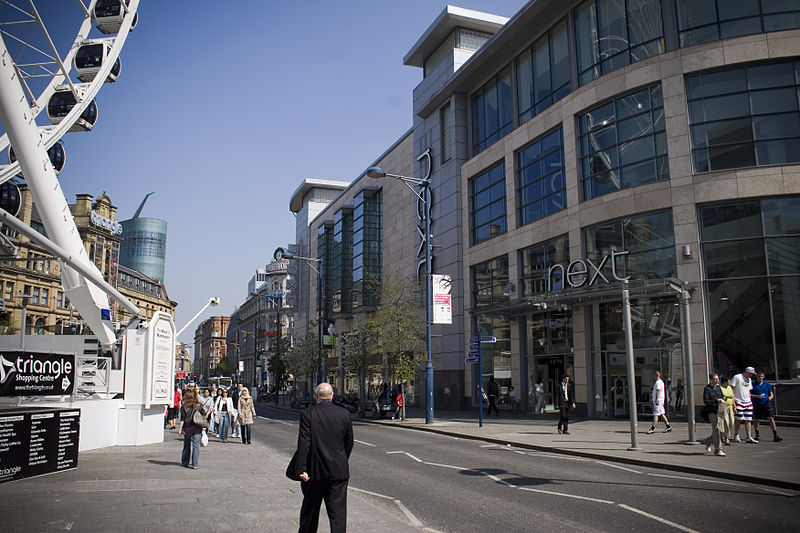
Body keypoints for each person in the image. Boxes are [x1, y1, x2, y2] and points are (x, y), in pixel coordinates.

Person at [293, 382, 353, 533]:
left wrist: (301, 469)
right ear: (332, 396)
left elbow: (304, 443)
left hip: (314, 472)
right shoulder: (344, 413)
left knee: (310, 513)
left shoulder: (308, 413)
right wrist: (341, 459)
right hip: (338, 472)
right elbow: (349, 442)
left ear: (317, 396)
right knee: (338, 516)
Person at [178, 389, 206, 469]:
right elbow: (203, 416)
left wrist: (180, 429)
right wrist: (203, 427)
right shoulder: (199, 405)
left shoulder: (184, 406)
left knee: (186, 445)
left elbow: (182, 419)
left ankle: (185, 462)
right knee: (196, 446)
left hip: (187, 428)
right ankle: (194, 464)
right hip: (197, 427)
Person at [751, 372, 783, 442]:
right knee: (756, 419)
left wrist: (770, 397)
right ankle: (757, 434)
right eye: (759, 376)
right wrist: (757, 396)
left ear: (763, 377)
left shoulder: (767, 384)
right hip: (757, 404)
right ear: (756, 377)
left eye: (761, 376)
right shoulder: (753, 384)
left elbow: (771, 394)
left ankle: (775, 435)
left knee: (770, 418)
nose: (760, 377)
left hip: (766, 403)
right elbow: (749, 394)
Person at [731, 366, 758, 443]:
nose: (751, 375)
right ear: (747, 372)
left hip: (747, 401)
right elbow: (731, 388)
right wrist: (734, 402)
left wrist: (750, 400)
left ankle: (748, 436)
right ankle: (736, 434)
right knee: (738, 419)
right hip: (738, 400)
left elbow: (748, 391)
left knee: (748, 419)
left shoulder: (749, 380)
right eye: (751, 373)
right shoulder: (737, 377)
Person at [702, 373, 726, 457]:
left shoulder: (719, 387)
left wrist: (723, 399)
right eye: (715, 379)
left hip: (720, 411)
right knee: (716, 429)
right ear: (711, 380)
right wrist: (716, 401)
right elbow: (706, 401)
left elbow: (722, 396)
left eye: (717, 379)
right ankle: (718, 449)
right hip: (712, 411)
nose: (717, 380)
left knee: (721, 430)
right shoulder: (707, 389)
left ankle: (708, 441)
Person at [646, 369, 671, 434]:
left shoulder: (658, 382)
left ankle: (652, 428)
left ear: (656, 375)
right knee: (662, 414)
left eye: (653, 375)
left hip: (658, 400)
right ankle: (668, 426)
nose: (653, 377)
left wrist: (656, 399)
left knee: (656, 414)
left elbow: (658, 391)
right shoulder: (660, 382)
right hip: (660, 400)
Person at [719, 376, 734, 445]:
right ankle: (726, 438)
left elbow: (733, 397)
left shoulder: (729, 387)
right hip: (723, 406)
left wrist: (734, 406)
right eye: (728, 381)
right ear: (724, 382)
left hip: (730, 406)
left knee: (731, 422)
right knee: (726, 422)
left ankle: (723, 435)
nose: (729, 383)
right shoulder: (719, 388)